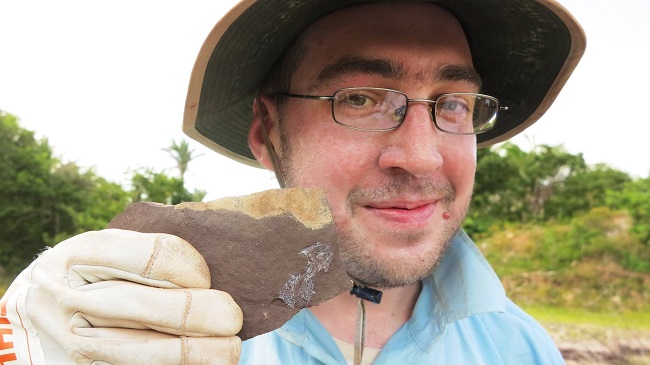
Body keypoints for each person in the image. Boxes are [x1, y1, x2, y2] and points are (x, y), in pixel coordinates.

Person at [1, 0, 586, 364]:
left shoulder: (521, 350)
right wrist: (9, 345)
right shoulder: (144, 328)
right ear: (266, 129)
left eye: (452, 103)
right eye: (359, 99)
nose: (423, 158)